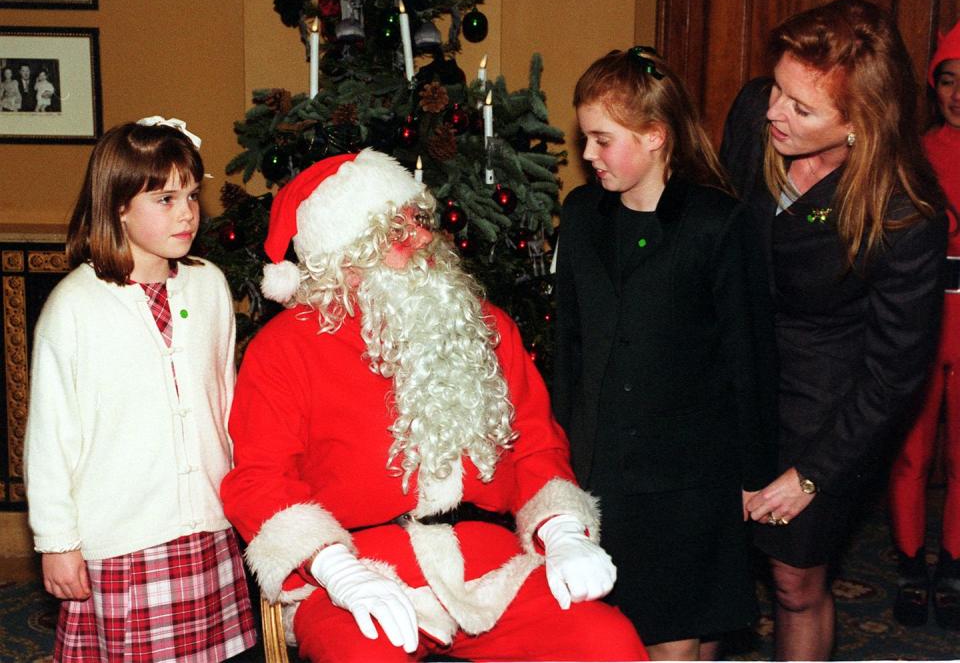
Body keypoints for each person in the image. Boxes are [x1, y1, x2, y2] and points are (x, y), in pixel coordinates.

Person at [219, 148, 649, 663]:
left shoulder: (483, 326)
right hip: (360, 569)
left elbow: (536, 444)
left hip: (490, 563)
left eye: (419, 221)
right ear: (347, 257)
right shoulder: (285, 348)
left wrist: (561, 533)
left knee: (607, 643)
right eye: (395, 232)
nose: (424, 237)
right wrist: (339, 571)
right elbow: (260, 480)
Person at [720, 0, 948, 660]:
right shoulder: (754, 114)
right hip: (735, 377)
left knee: (795, 581)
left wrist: (811, 474)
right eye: (778, 90)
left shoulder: (906, 215)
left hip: (826, 410)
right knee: (708, 558)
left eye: (801, 107)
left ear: (858, 124)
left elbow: (893, 374)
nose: (773, 113)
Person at [551, 47, 778, 661]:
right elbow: (567, 345)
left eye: (601, 139)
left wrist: (753, 480)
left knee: (676, 638)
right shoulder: (581, 216)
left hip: (688, 478)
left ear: (654, 136)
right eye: (586, 139)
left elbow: (748, 362)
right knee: (619, 633)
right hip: (602, 469)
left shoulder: (716, 224)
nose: (588, 155)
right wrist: (557, 460)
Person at [24, 117, 257, 661]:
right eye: (166, 198)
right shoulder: (74, 306)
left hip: (209, 525)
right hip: (125, 541)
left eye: (193, 196)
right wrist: (58, 543)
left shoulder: (210, 286)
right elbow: (51, 438)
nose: (187, 212)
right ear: (118, 206)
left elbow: (226, 403)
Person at [887, 20, 960, 631]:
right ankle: (912, 565)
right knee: (910, 451)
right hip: (925, 314)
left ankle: (955, 564)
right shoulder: (913, 155)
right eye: (948, 80)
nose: (958, 93)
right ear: (933, 86)